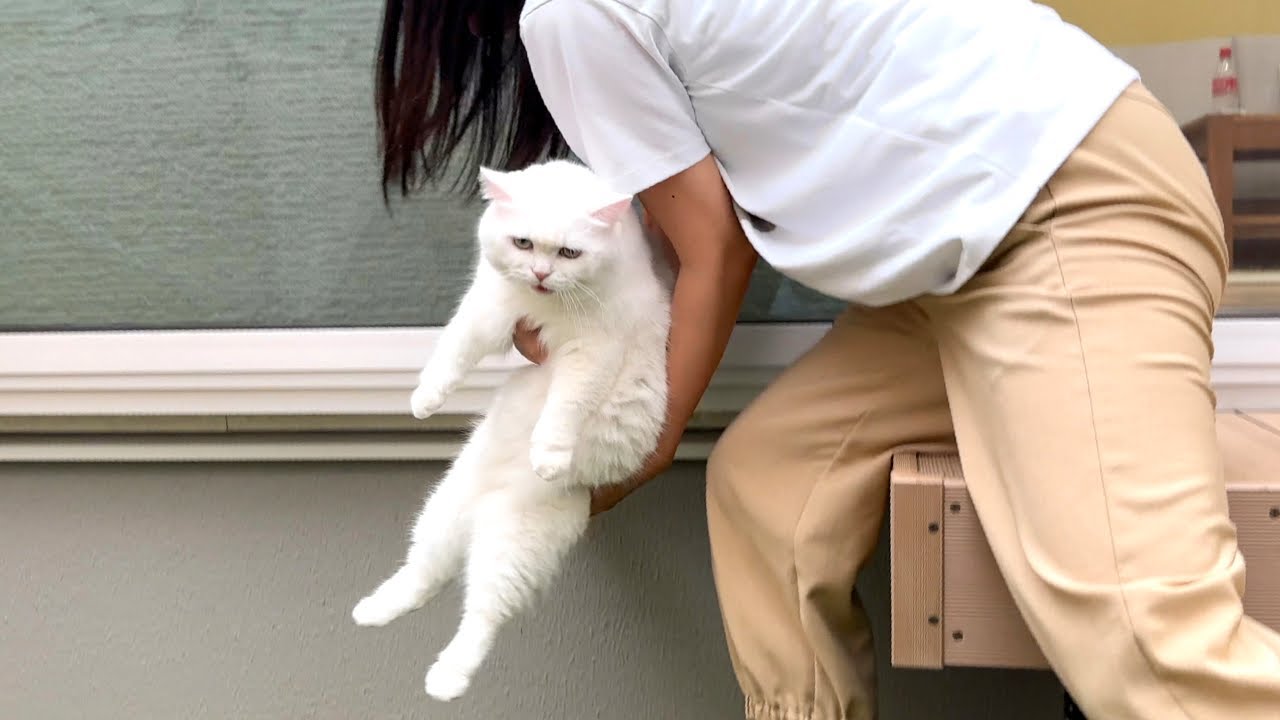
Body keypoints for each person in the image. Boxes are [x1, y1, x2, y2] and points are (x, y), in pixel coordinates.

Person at [375, 1, 1280, 717]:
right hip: (962, 257)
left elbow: (714, 250)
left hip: (1068, 201)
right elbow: (684, 228)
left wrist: (637, 451)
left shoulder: (571, 13)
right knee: (771, 487)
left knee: (1143, 638)